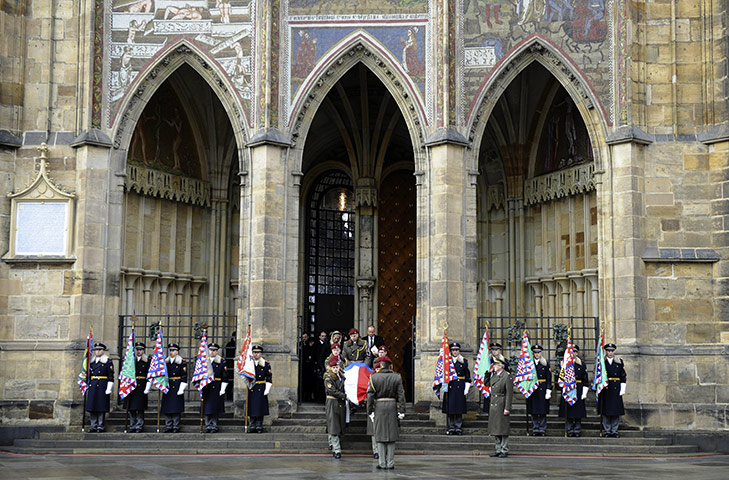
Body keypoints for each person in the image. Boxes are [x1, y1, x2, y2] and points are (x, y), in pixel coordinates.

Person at [366, 356, 406, 470]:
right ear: (390, 365)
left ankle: (382, 462)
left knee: (380, 435)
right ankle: (390, 463)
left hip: (379, 407)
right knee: (391, 435)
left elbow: (370, 396)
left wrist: (370, 411)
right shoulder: (396, 377)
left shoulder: (374, 378)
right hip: (392, 406)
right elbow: (401, 395)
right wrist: (402, 410)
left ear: (381, 365)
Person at [436, 342, 471, 435]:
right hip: (450, 387)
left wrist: (466, 387)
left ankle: (458, 427)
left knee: (459, 408)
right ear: (450, 351)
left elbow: (467, 375)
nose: (455, 352)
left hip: (460, 387)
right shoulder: (447, 362)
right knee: (450, 408)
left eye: (456, 350)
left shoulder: (463, 361)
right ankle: (451, 427)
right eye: (453, 350)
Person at [558, 344, 590, 437]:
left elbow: (585, 378)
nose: (573, 354)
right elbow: (560, 377)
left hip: (578, 388)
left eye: (575, 352)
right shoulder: (564, 364)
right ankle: (569, 429)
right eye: (572, 352)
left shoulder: (581, 364)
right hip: (568, 389)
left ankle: (577, 430)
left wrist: (584, 391)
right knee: (569, 411)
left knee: (578, 411)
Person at [598, 343, 627, 437]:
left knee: (615, 411)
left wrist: (622, 388)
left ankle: (614, 430)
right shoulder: (602, 362)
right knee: (606, 411)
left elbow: (623, 376)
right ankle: (607, 430)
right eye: (608, 351)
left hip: (615, 388)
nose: (610, 353)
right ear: (606, 352)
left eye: (612, 351)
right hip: (606, 388)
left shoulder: (619, 362)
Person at [487, 358, 513, 458]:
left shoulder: (506, 376)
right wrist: (487, 373)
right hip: (494, 404)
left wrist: (507, 408)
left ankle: (504, 449)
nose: (494, 366)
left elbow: (509, 394)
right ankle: (498, 449)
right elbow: (486, 383)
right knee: (495, 428)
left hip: (501, 404)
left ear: (501, 366)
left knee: (503, 428)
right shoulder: (494, 375)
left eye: (495, 365)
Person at [86, 343, 114, 433]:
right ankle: (93, 425)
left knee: (101, 406)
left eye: (99, 350)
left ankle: (100, 426)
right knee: (92, 406)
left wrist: (109, 387)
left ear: (103, 351)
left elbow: (111, 375)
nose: (97, 351)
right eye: (96, 350)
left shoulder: (107, 361)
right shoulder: (92, 362)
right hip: (93, 385)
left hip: (102, 385)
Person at [323, 356, 346, 458]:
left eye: (337, 367)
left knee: (338, 424)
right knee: (333, 425)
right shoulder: (328, 377)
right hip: (332, 401)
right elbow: (331, 390)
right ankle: (337, 449)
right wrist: (344, 396)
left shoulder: (341, 376)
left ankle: (332, 444)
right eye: (334, 367)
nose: (336, 369)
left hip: (340, 403)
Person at [161, 343, 187, 433]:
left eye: (173, 350)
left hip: (177, 385)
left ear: (177, 351)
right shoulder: (166, 362)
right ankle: (168, 425)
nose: (171, 352)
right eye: (170, 350)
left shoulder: (181, 361)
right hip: (168, 385)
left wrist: (181, 388)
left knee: (175, 407)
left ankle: (176, 426)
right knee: (167, 407)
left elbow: (184, 376)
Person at [202, 343, 227, 433]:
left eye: (214, 350)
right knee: (207, 407)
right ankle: (207, 425)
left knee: (215, 407)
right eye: (211, 350)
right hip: (207, 386)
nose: (212, 352)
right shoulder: (204, 361)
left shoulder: (221, 361)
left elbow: (224, 376)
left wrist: (223, 388)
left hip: (217, 386)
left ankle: (214, 425)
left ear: (217, 351)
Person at [527, 344, 551, 436]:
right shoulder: (530, 364)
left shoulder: (545, 363)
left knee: (542, 411)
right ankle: (535, 428)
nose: (537, 354)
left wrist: (548, 389)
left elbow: (548, 378)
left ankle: (542, 429)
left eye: (538, 352)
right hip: (533, 389)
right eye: (535, 353)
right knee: (533, 410)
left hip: (542, 389)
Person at [125, 342, 149, 433]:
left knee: (140, 408)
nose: (138, 351)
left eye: (140, 350)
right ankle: (132, 425)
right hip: (132, 386)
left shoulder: (147, 361)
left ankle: (139, 425)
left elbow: (149, 374)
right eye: (137, 350)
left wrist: (147, 387)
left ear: (143, 351)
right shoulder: (131, 361)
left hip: (141, 385)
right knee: (131, 408)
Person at [247, 345, 272, 433]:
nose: (256, 354)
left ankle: (259, 425)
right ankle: (252, 424)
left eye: (258, 353)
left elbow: (269, 378)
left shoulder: (266, 364)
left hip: (261, 387)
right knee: (252, 406)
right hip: (252, 386)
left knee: (260, 407)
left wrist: (267, 389)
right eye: (254, 352)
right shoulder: (249, 363)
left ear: (261, 354)